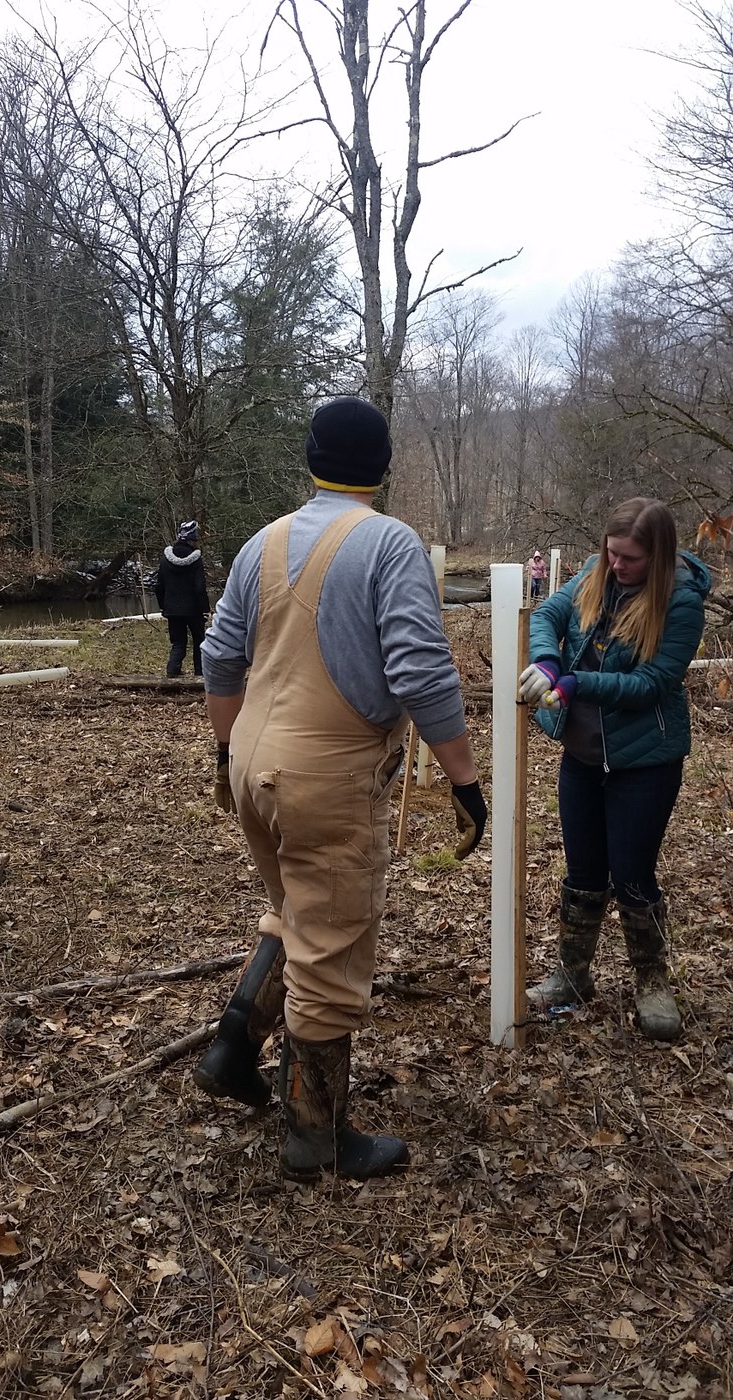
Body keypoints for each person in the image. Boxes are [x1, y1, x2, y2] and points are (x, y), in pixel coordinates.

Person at [193, 396, 487, 1181]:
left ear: (310, 460)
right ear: (383, 469)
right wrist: (464, 780)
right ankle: (314, 1138)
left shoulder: (264, 540)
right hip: (326, 769)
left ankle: (230, 1050)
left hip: (254, 753)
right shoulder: (388, 544)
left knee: (295, 907)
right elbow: (420, 671)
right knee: (332, 944)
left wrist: (226, 750)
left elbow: (219, 658)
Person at [518, 498, 710, 1042]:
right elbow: (550, 613)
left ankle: (651, 981)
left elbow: (653, 684)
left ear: (658, 556)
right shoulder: (595, 571)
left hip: (645, 761)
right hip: (582, 756)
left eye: (631, 559)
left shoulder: (681, 601)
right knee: (582, 871)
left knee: (631, 873)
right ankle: (573, 977)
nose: (618, 566)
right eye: (612, 553)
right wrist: (549, 661)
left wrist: (577, 684)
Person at [154, 520, 211, 678]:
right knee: (199, 641)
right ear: (193, 539)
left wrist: (163, 607)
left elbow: (159, 586)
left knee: (178, 642)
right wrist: (205, 609)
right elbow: (199, 587)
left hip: (172, 609)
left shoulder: (166, 559)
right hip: (193, 610)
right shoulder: (196, 559)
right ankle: (200, 673)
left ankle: (172, 670)